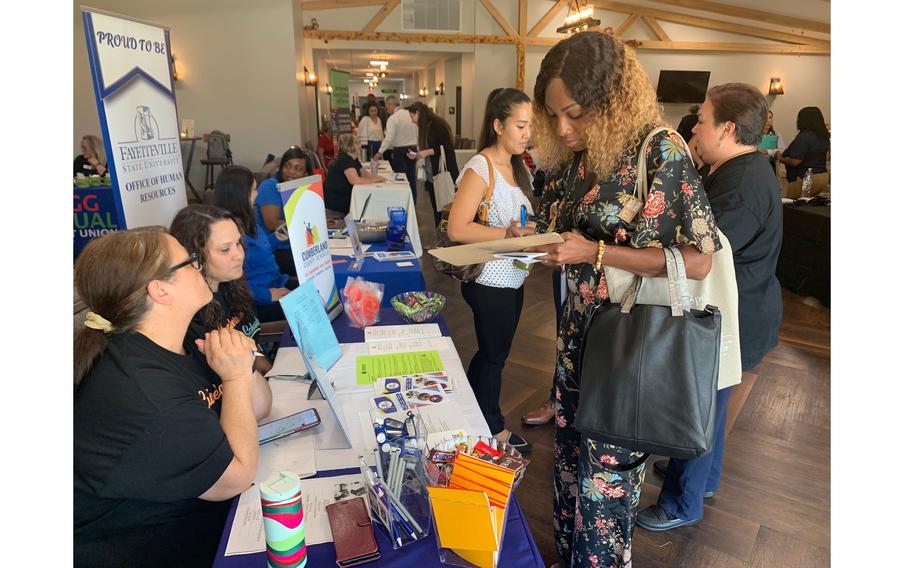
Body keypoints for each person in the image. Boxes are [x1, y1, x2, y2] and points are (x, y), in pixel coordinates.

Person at [527, 31, 721, 568]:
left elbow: (699, 258)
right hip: (577, 337)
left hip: (628, 341)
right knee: (568, 473)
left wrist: (595, 251)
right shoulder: (577, 157)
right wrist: (548, 248)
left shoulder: (658, 149)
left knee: (605, 491)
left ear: (611, 100)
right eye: (553, 115)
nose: (563, 129)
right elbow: (564, 230)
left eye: (575, 114)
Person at [74, 228, 272, 567]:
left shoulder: (187, 334)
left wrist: (240, 364)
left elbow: (260, 406)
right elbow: (235, 477)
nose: (199, 268)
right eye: (190, 263)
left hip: (207, 518)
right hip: (158, 547)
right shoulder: (143, 393)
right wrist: (237, 375)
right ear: (160, 290)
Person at [636, 82, 783, 533]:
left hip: (736, 315)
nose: (695, 128)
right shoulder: (739, 169)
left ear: (728, 129)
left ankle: (683, 501)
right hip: (744, 308)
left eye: (702, 119)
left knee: (698, 405)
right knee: (712, 404)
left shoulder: (741, 185)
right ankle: (704, 479)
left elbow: (703, 257)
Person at [448, 88, 537, 454]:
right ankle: (493, 428)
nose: (527, 133)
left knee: (491, 353)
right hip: (488, 279)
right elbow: (457, 228)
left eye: (530, 125)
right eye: (520, 125)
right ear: (498, 125)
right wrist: (508, 234)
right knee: (495, 355)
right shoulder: (480, 168)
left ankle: (473, 414)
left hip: (513, 275)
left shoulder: (517, 167)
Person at [170, 204, 272, 375]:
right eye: (225, 249)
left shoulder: (231, 285)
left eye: (238, 243)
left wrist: (270, 372)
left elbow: (253, 345)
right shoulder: (189, 317)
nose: (238, 254)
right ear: (194, 256)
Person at [215, 165, 296, 323]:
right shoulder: (229, 233)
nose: (257, 194)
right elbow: (232, 285)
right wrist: (267, 295)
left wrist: (275, 239)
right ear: (240, 194)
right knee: (311, 305)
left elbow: (259, 253)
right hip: (258, 298)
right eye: (253, 189)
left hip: (276, 281)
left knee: (317, 290)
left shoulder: (248, 219)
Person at [254, 146, 311, 276]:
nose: (290, 172)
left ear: (306, 174)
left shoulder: (300, 189)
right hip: (276, 250)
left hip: (299, 245)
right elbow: (272, 223)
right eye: (287, 166)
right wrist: (309, 227)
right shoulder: (270, 187)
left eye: (298, 169)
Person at [407, 101, 458, 226]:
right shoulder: (427, 126)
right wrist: (420, 154)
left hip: (442, 173)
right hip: (433, 175)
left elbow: (447, 148)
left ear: (418, 113)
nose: (412, 121)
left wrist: (425, 153)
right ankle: (438, 239)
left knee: (444, 209)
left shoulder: (437, 125)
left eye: (412, 116)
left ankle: (443, 240)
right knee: (437, 209)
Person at [324, 133, 388, 218]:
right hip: (336, 206)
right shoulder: (344, 159)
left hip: (343, 200)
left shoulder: (353, 159)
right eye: (356, 143)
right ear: (349, 145)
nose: (360, 145)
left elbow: (365, 174)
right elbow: (355, 180)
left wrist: (378, 179)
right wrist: (379, 179)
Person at [374, 95, 419, 203]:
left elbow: (389, 137)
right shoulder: (411, 115)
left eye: (387, 107)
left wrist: (380, 152)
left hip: (400, 151)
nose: (386, 109)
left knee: (401, 178)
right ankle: (412, 202)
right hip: (413, 149)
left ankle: (403, 202)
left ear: (391, 104)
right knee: (411, 178)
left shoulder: (393, 118)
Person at [776, 106, 830, 182]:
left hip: (804, 179)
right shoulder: (824, 136)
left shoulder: (804, 137)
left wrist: (780, 159)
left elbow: (796, 161)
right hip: (821, 176)